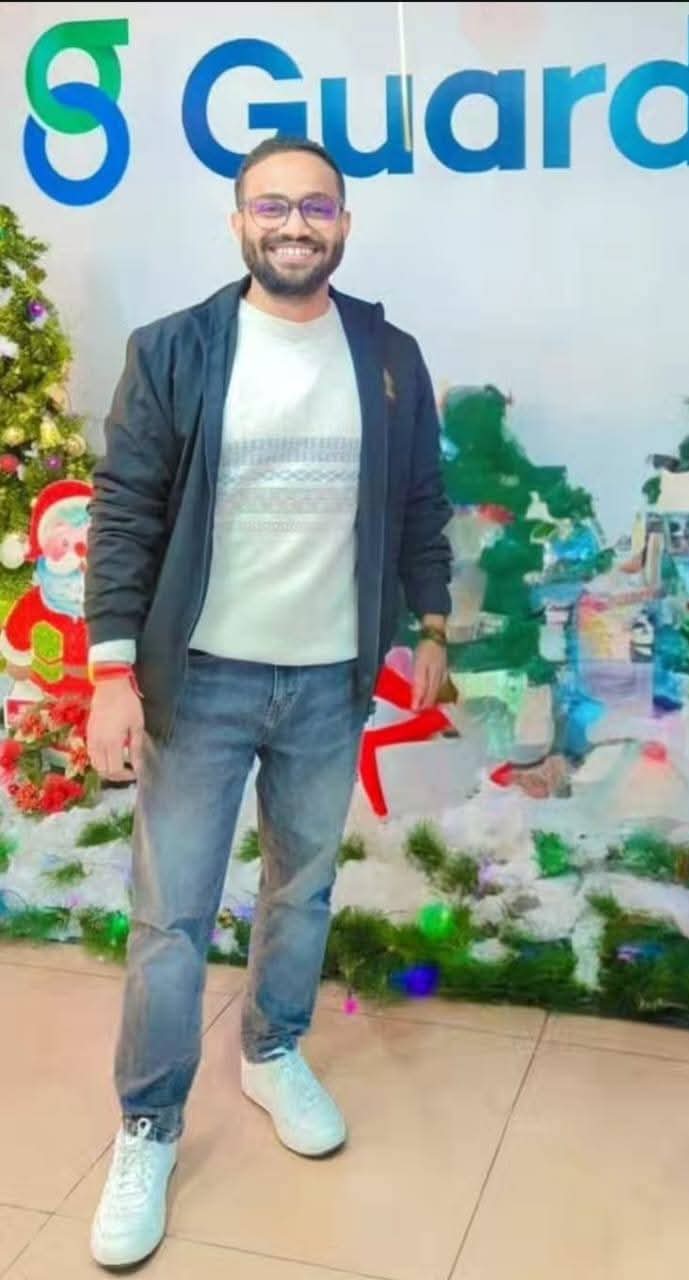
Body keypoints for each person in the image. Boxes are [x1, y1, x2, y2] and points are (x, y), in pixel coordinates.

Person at [83, 136, 453, 1270]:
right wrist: (109, 671)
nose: (296, 224)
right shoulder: (176, 350)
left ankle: (273, 1049)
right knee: (171, 919)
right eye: (273, 206)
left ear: (344, 223)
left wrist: (432, 621)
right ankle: (149, 1126)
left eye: (316, 207)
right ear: (239, 220)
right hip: (201, 679)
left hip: (330, 679)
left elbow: (419, 501)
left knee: (301, 890)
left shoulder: (387, 355)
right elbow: (125, 508)